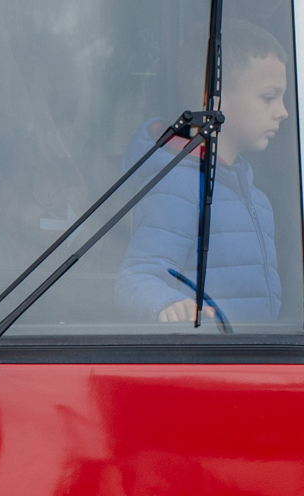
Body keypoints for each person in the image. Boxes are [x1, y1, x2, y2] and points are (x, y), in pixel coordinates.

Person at [117, 20, 290, 326]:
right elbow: (137, 277)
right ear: (214, 97)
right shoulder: (177, 187)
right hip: (211, 359)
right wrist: (168, 304)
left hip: (254, 363)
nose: (283, 112)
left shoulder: (258, 199)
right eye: (268, 97)